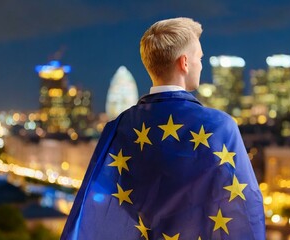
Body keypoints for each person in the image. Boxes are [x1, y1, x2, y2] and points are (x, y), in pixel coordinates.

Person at [61, 17, 265, 240]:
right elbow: (246, 209)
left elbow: (98, 204)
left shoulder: (118, 128)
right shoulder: (220, 126)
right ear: (184, 63)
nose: (201, 64)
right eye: (200, 58)